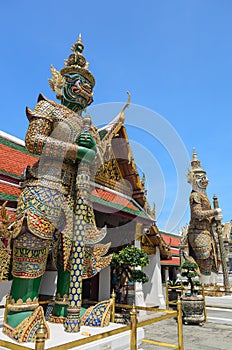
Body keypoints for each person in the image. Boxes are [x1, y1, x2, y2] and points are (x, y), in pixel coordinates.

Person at [3, 35, 110, 342]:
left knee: (73, 255)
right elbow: (33, 142)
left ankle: (65, 309)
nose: (83, 88)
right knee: (33, 241)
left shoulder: (88, 125)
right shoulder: (47, 108)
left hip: (75, 194)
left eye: (89, 85)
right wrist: (77, 151)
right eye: (76, 81)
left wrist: (94, 152)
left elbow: (98, 162)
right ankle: (20, 310)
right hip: (45, 185)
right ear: (61, 83)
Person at [186, 150, 222, 285]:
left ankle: (212, 286)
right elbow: (197, 214)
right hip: (198, 232)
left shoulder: (204, 196)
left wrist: (215, 218)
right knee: (205, 260)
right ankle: (204, 287)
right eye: (201, 178)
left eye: (205, 178)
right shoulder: (195, 195)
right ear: (195, 180)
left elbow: (207, 216)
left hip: (208, 232)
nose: (205, 180)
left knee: (214, 261)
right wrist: (214, 211)